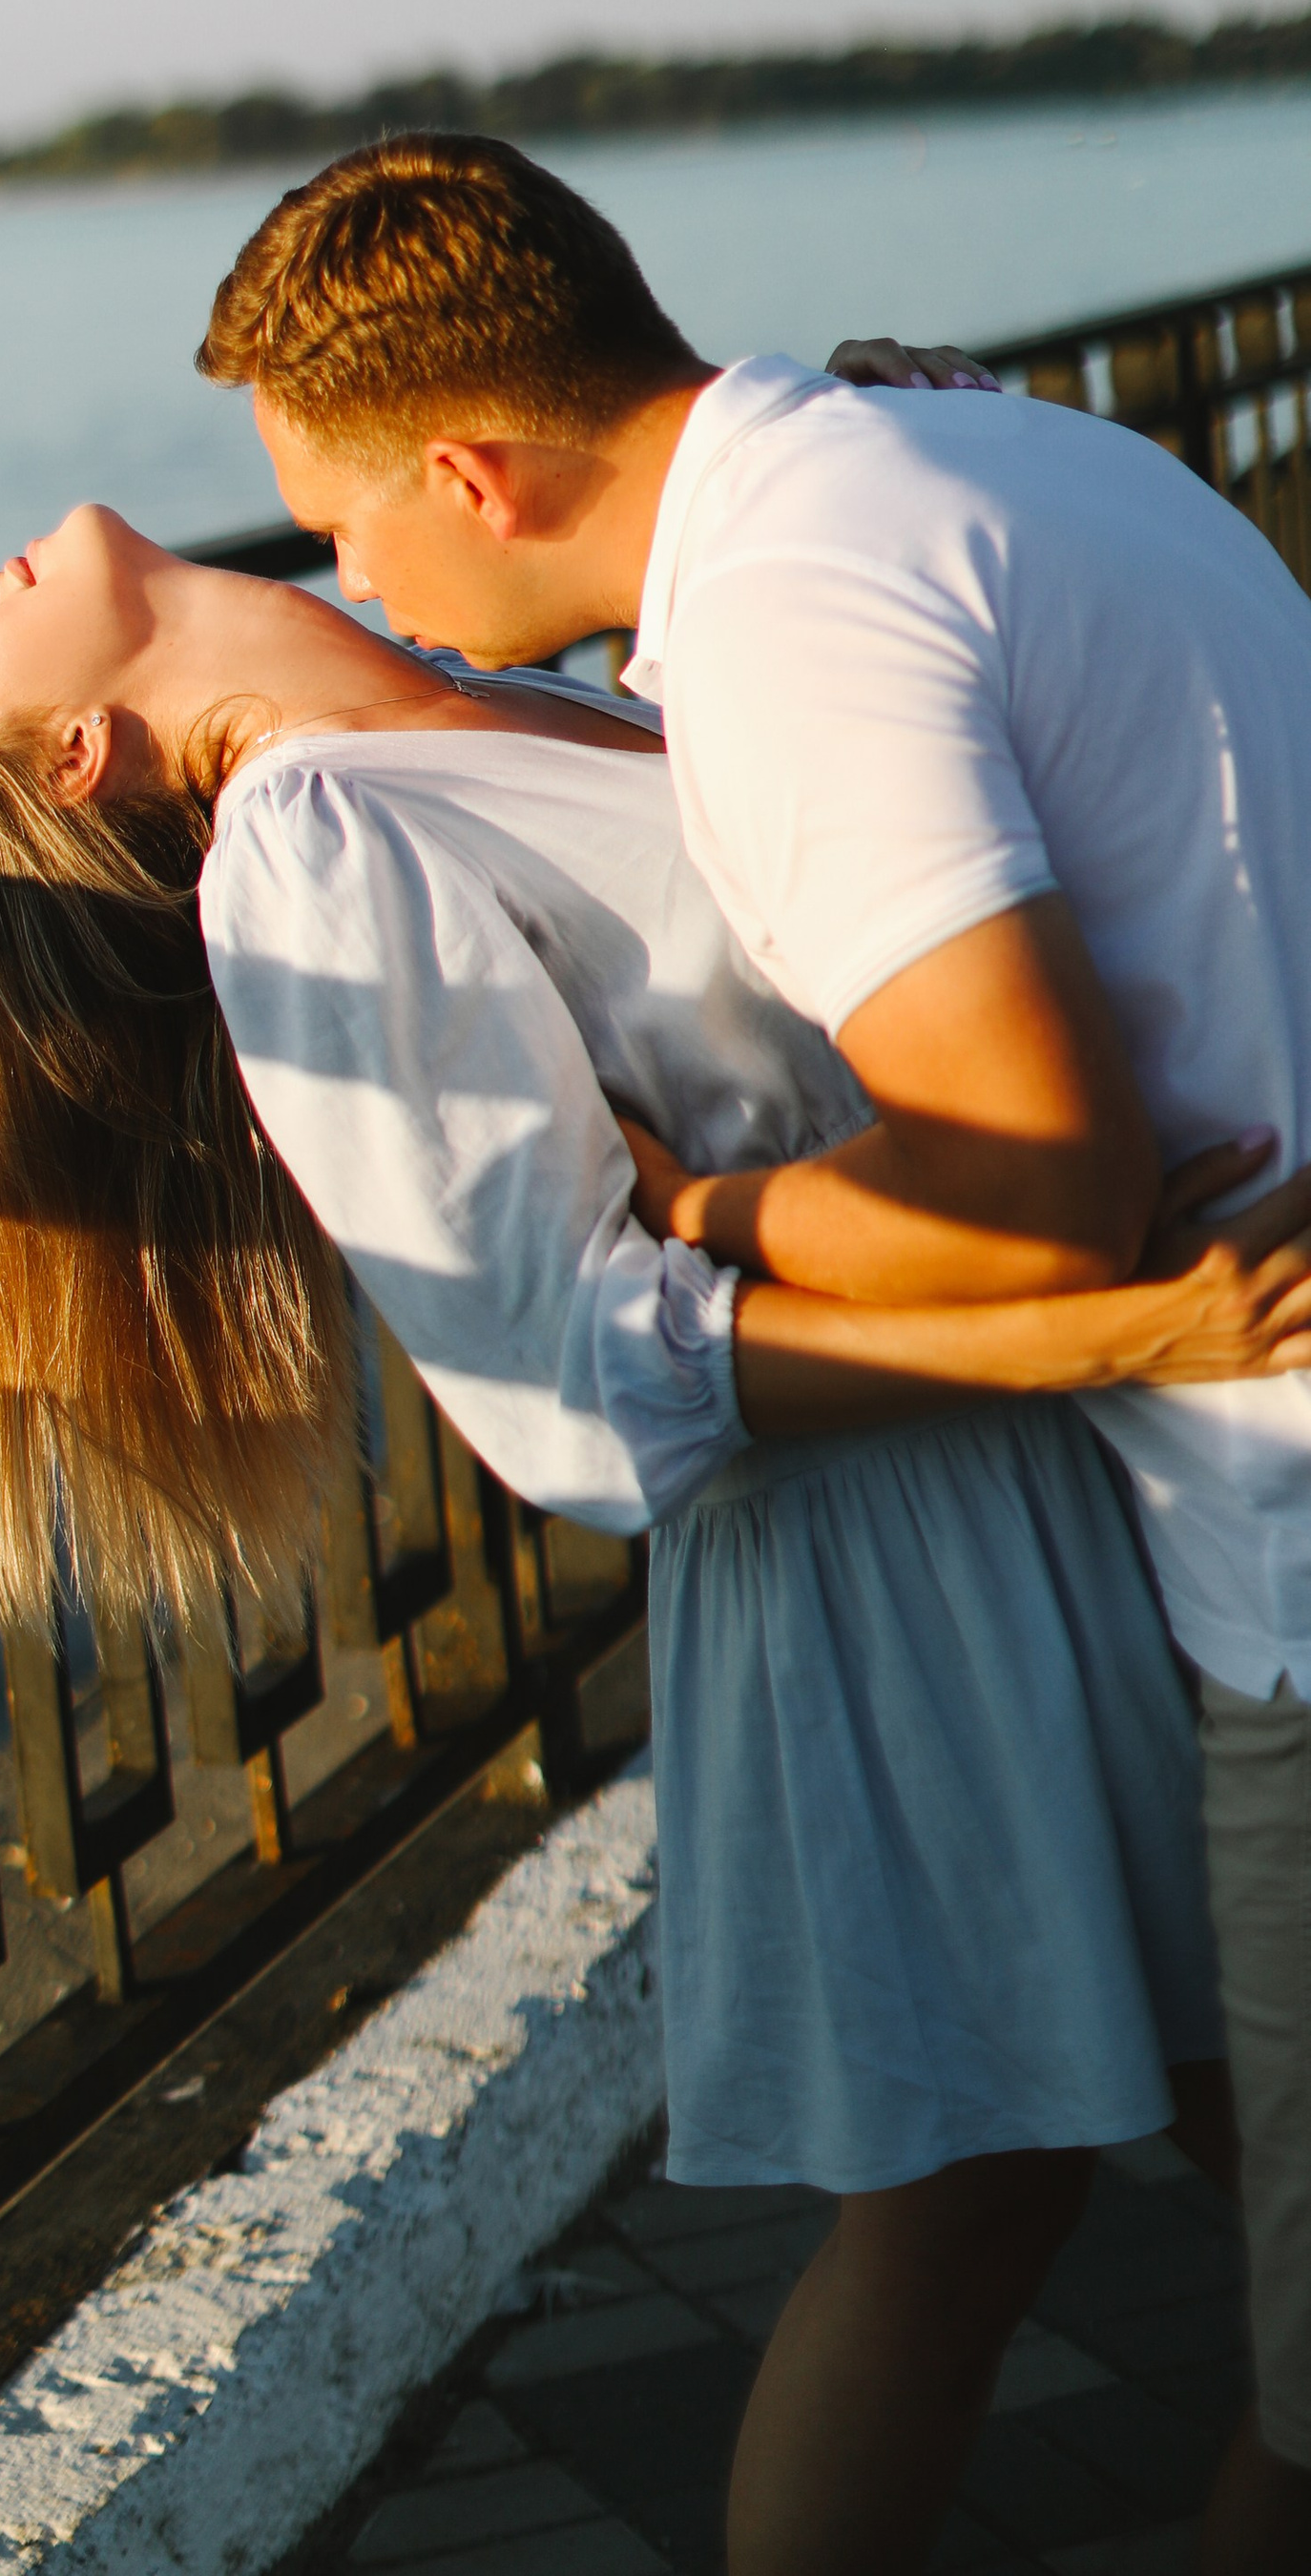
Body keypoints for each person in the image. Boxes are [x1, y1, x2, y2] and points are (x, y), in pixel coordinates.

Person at [0, 503, 1311, 2576]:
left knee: (1084, 2167)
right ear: (78, 755)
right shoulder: (311, 850)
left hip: (1053, 1453)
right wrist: (1101, 1327)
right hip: (904, 1553)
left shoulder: (464, 686)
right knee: (980, 2200)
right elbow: (573, 1374)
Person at [198, 135, 1311, 2573]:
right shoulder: (992, 453)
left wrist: (689, 1208)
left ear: (472, 472)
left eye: (346, 524)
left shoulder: (789, 616)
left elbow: (1040, 1191)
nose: (351, 582)